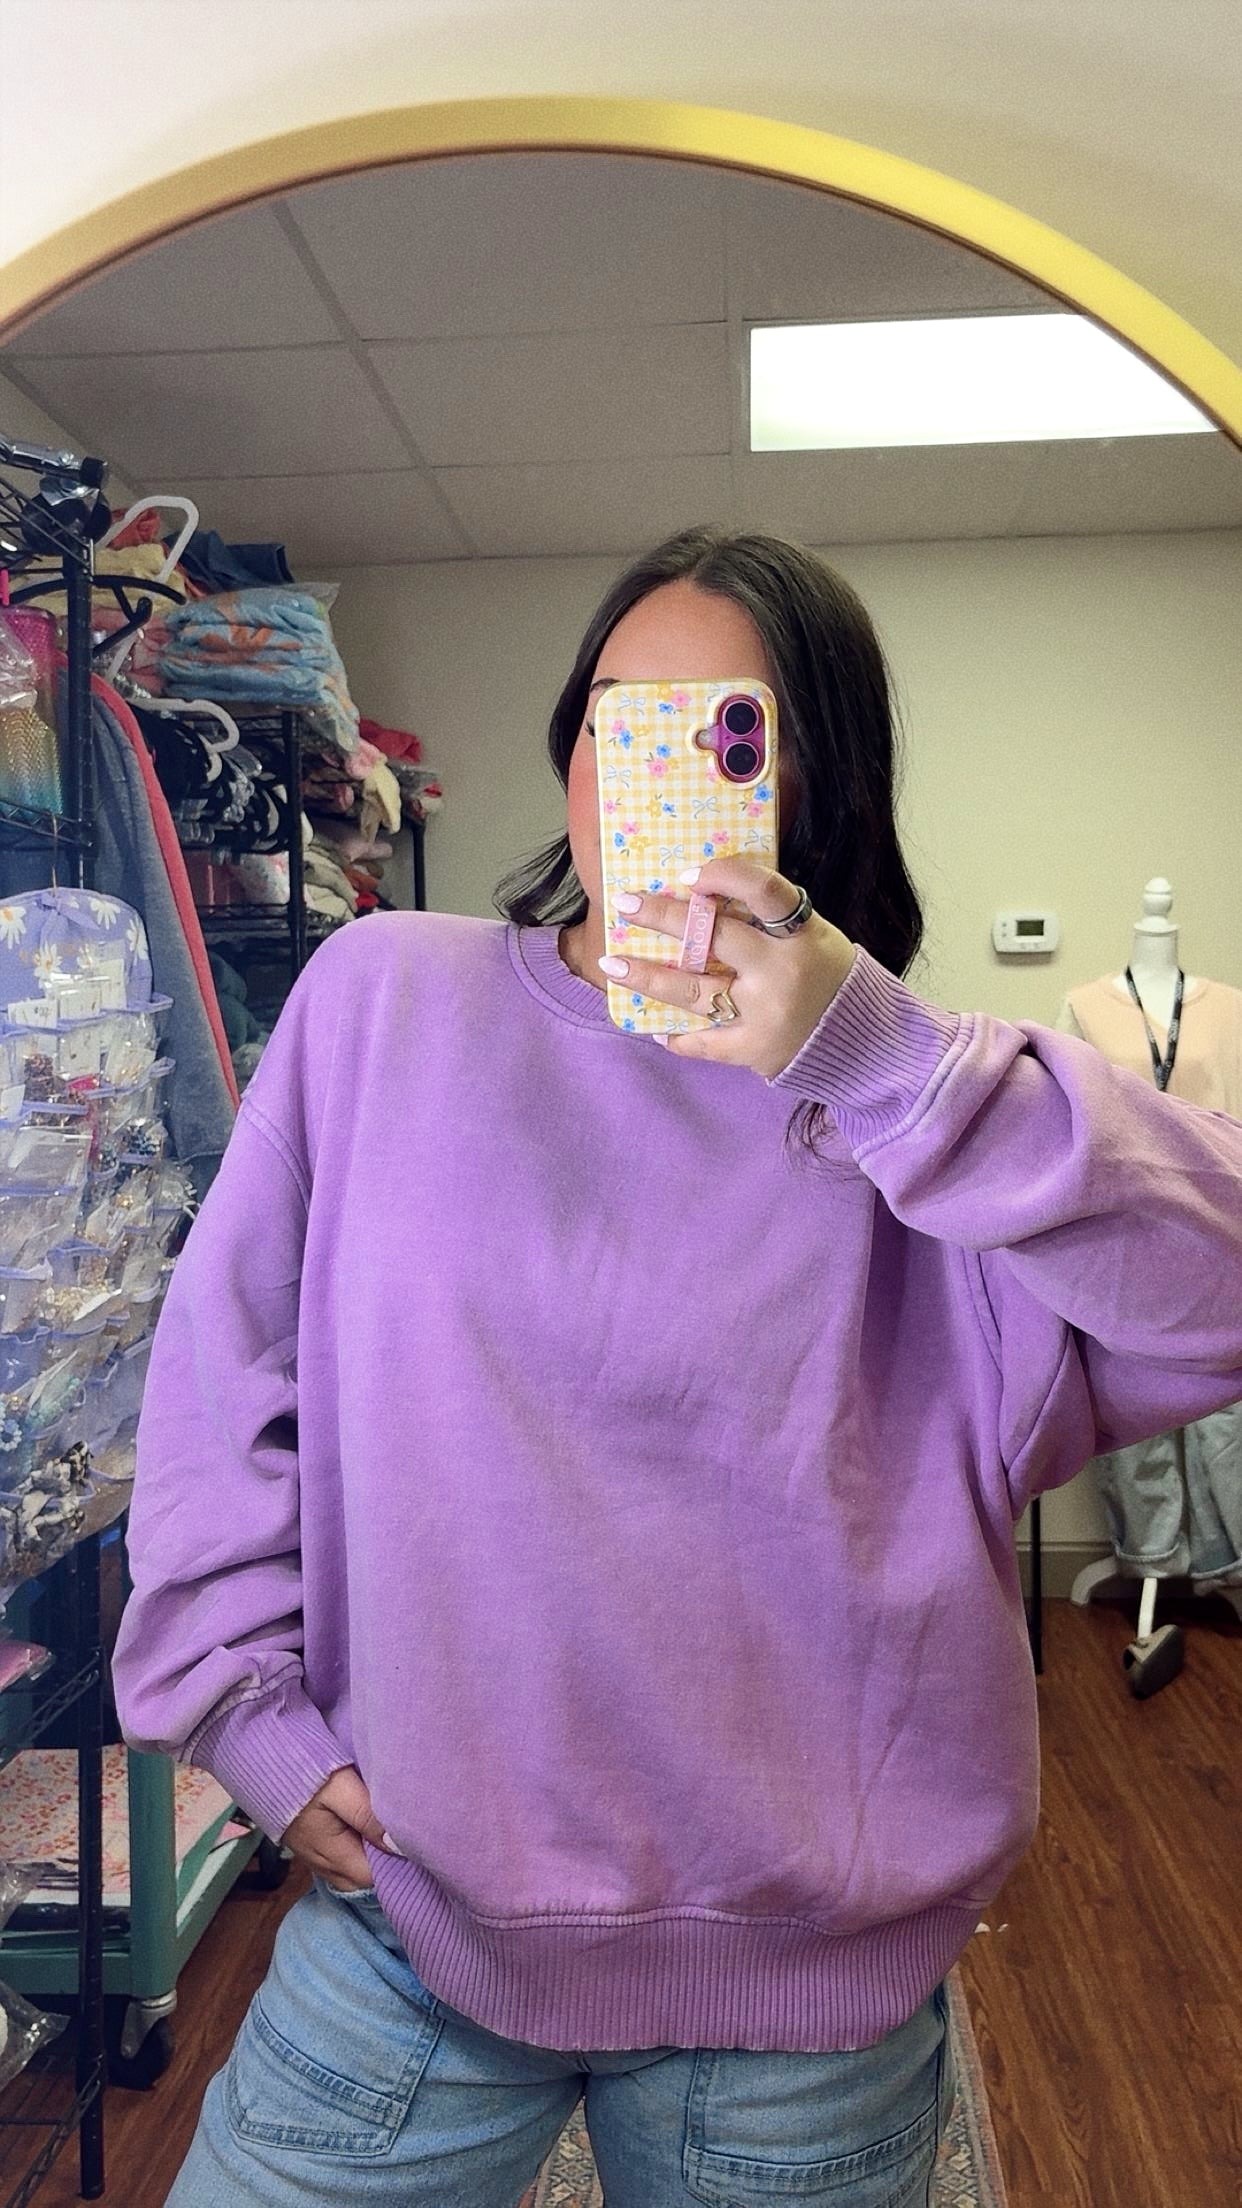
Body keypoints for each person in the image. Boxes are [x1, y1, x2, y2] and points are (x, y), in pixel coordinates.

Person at [113, 528, 1242, 2207]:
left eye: (717, 729)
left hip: (805, 2002)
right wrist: (244, 1709)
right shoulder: (383, 1003)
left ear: (814, 776)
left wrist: (879, 1063)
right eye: (609, 716)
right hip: (409, 1921)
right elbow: (222, 1379)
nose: (637, 769)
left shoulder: (920, 1112)